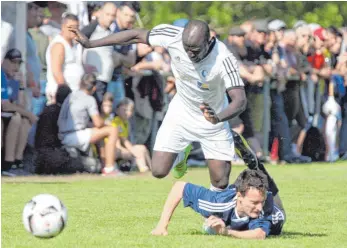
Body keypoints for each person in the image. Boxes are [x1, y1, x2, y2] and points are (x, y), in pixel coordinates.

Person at [69, 19, 247, 190]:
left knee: (220, 182)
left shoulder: (224, 58)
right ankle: (182, 151)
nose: (189, 54)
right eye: (187, 49)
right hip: (181, 111)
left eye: (195, 50)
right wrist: (92, 43)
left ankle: (217, 214)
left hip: (212, 117)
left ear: (209, 41)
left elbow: (240, 100)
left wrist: (217, 118)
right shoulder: (173, 35)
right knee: (158, 171)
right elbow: (136, 35)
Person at [151, 167, 285, 239]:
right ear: (239, 196)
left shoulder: (264, 205)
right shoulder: (217, 202)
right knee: (211, 225)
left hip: (276, 216)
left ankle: (257, 166)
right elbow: (179, 187)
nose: (259, 207)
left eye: (260, 202)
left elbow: (259, 234)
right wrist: (162, 226)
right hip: (231, 200)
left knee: (275, 205)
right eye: (254, 202)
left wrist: (225, 232)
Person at [57, 73, 119, 175]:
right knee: (112, 130)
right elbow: (98, 123)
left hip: (63, 135)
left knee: (101, 136)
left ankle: (104, 166)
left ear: (80, 83)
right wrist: (106, 122)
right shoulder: (89, 99)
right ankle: (110, 168)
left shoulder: (71, 95)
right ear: (94, 88)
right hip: (74, 136)